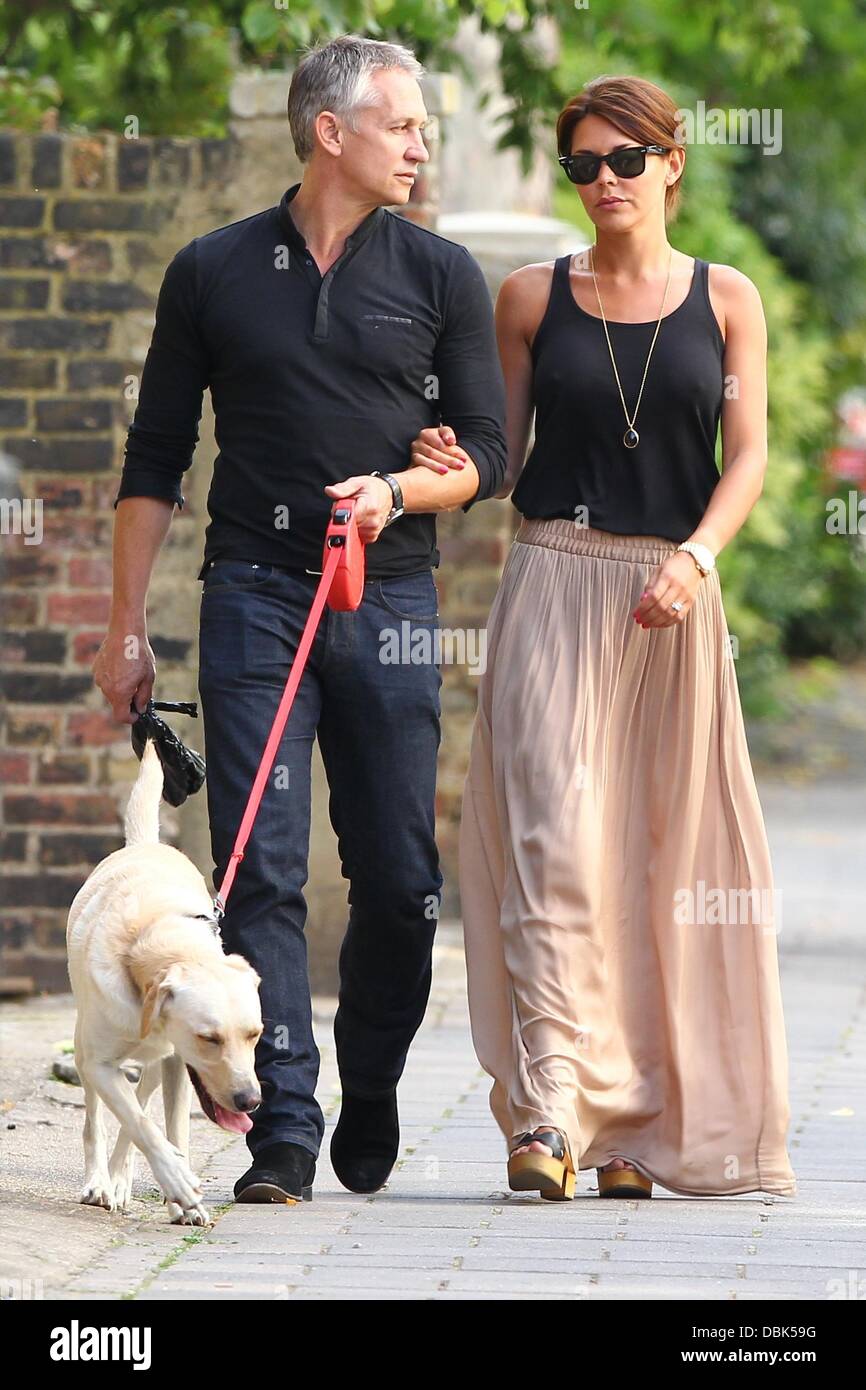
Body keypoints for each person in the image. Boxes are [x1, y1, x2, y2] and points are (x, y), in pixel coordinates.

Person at [93, 34, 507, 1204]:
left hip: (388, 597)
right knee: (256, 867)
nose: (422, 142)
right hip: (253, 595)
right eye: (405, 123)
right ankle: (282, 1120)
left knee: (393, 874)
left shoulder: (441, 276)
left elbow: (490, 455)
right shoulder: (212, 270)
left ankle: (368, 1080)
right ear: (332, 133)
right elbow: (156, 454)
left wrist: (398, 490)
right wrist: (126, 624)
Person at [445, 74, 797, 1201]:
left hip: (672, 598)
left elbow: (745, 456)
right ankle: (548, 1112)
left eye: (622, 160)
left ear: (669, 163)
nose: (602, 182)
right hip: (552, 580)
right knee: (552, 841)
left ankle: (634, 1125)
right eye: (582, 165)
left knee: (656, 858)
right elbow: (498, 459)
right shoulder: (527, 299)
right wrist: (429, 465)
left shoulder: (728, 299)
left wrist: (695, 559)